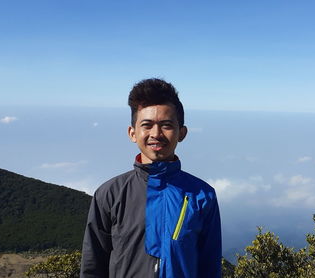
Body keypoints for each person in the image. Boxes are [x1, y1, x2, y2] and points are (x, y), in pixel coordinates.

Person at [80, 78, 222, 278]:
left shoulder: (203, 195)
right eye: (147, 125)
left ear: (182, 133)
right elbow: (93, 267)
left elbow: (210, 268)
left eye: (166, 125)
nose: (156, 133)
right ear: (132, 133)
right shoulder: (110, 194)